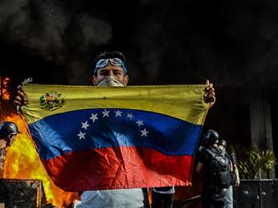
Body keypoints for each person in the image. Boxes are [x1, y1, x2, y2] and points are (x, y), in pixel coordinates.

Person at [14, 51, 217, 208]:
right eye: (103, 73)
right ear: (94, 80)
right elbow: (51, 133)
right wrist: (27, 106)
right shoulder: (78, 114)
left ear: (126, 80)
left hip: (134, 202)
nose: (109, 77)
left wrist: (200, 104)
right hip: (91, 203)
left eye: (116, 72)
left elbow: (171, 133)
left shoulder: (142, 114)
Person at [195, 129, 234, 208]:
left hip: (210, 190)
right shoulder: (223, 152)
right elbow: (231, 168)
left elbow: (198, 170)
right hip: (222, 191)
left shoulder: (205, 152)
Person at [220, 140, 239, 208]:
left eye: (222, 146)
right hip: (220, 180)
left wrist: (237, 178)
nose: (220, 147)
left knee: (229, 200)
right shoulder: (217, 156)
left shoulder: (229, 155)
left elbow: (235, 167)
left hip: (228, 180)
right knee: (222, 201)